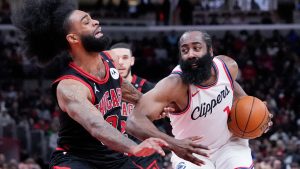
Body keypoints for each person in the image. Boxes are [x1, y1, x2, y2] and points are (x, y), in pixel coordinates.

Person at [12, 1, 205, 168]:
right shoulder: (70, 87)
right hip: (77, 160)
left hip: (112, 158)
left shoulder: (107, 61)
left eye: (92, 18)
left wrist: (149, 104)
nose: (96, 21)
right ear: (73, 38)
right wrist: (133, 147)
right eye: (86, 22)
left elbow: (123, 88)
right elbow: (96, 125)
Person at [126, 30, 273, 168]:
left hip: (230, 145)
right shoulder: (174, 84)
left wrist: (257, 113)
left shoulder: (228, 67)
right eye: (185, 50)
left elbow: (231, 85)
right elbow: (134, 121)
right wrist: (173, 143)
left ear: (210, 51)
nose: (190, 54)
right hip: (191, 153)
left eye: (197, 48)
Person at [110, 42, 165, 168]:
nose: (120, 62)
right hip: (112, 154)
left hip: (143, 155)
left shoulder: (148, 88)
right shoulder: (101, 88)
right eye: (116, 58)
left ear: (132, 61)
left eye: (125, 57)